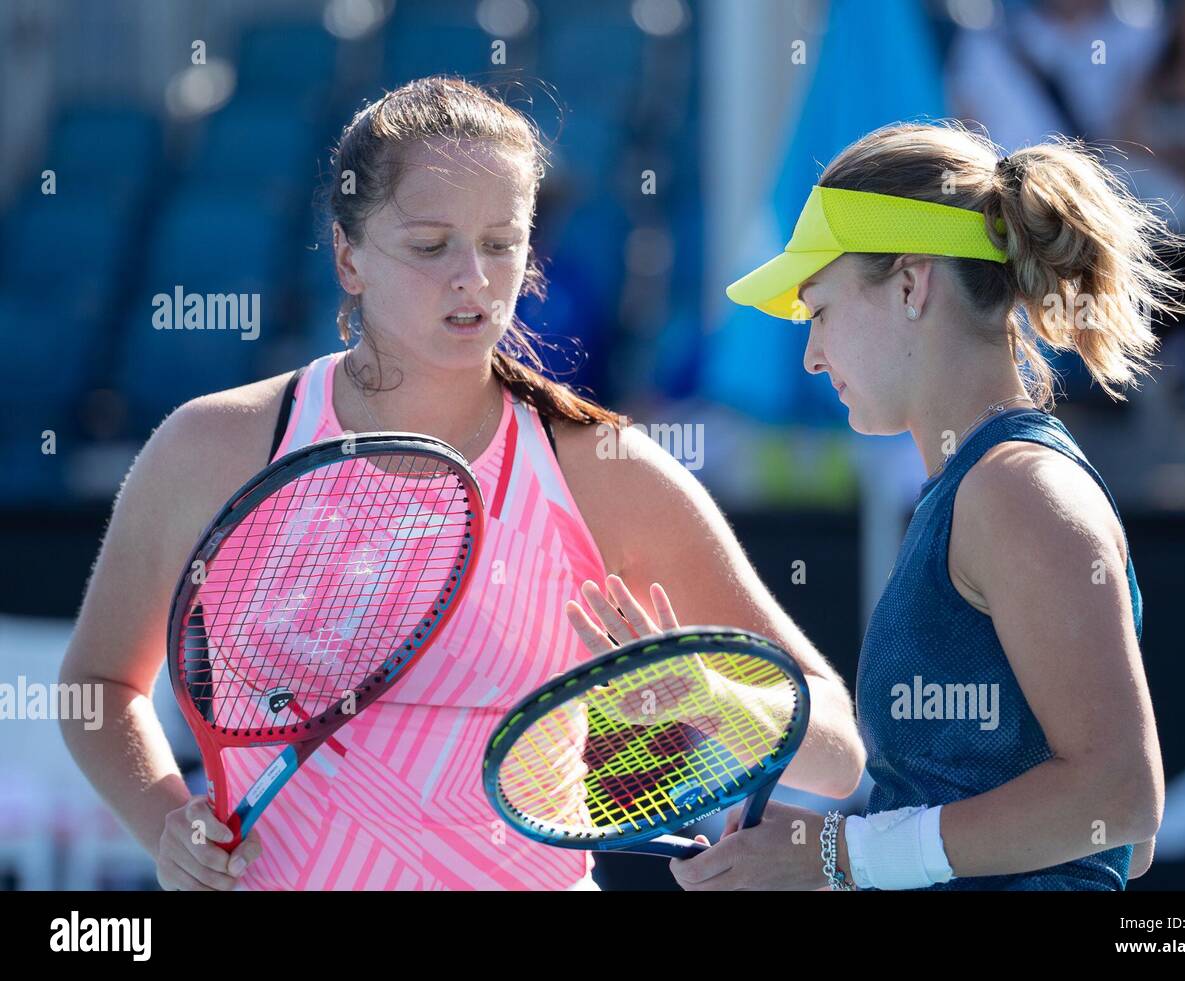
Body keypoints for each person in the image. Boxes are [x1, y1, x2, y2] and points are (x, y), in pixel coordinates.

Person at [58, 76, 863, 890]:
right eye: (430, 243)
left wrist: (703, 695)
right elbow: (97, 688)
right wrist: (166, 820)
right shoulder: (209, 446)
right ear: (348, 254)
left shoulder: (604, 470)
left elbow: (835, 749)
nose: (473, 278)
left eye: (501, 242)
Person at [662, 120, 1185, 890]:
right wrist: (829, 847)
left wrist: (837, 854)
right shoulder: (987, 489)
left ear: (912, 284)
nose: (812, 354)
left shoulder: (1018, 491)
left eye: (819, 309)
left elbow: (1119, 801)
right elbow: (1110, 834)